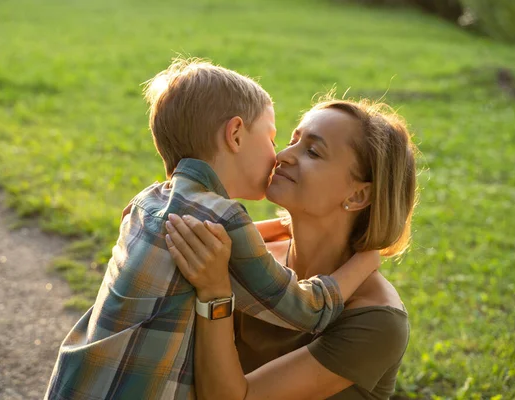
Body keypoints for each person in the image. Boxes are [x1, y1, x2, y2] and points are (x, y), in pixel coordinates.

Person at [44, 60, 380, 400]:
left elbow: (225, 243)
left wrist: (279, 228)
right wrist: (366, 259)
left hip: (74, 383)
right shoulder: (226, 218)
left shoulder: (147, 202)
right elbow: (307, 311)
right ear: (235, 134)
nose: (278, 155)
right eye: (272, 137)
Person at [165, 98, 417, 399]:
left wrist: (215, 295)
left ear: (359, 194)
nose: (282, 155)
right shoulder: (249, 255)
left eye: (313, 151)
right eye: (291, 141)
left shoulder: (376, 320)